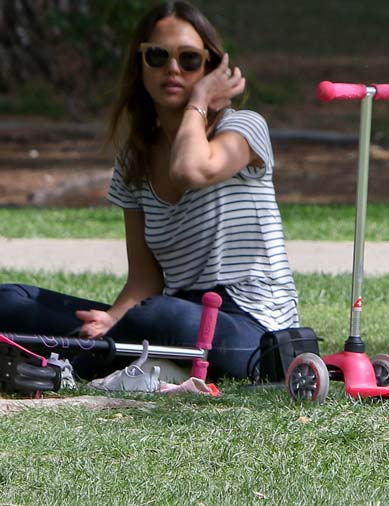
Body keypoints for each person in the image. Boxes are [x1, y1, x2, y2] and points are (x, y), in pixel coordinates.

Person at [0, 1, 298, 381]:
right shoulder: (135, 159)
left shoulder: (244, 129)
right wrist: (113, 317)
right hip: (166, 312)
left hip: (253, 330)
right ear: (140, 65)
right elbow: (144, 279)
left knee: (161, 316)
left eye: (189, 59)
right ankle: (94, 349)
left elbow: (190, 168)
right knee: (10, 300)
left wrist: (198, 101)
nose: (172, 68)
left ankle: (66, 364)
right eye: (157, 56)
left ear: (210, 68)